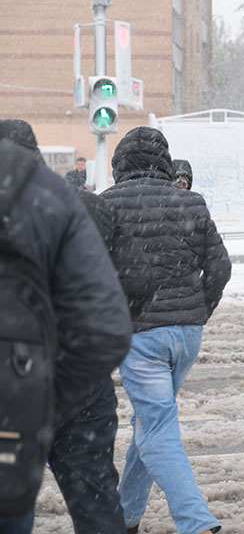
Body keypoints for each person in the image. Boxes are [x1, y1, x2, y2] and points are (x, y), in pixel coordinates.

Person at [0, 119, 132, 534]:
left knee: (9, 504)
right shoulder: (69, 201)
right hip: (76, 388)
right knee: (96, 505)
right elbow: (121, 306)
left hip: (11, 392)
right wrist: (50, 394)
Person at [100, 126, 232, 534]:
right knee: (151, 423)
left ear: (120, 164)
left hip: (139, 335)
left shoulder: (106, 206)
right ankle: (127, 518)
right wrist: (197, 312)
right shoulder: (191, 202)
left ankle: (196, 522)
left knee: (156, 428)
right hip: (186, 335)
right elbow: (221, 268)